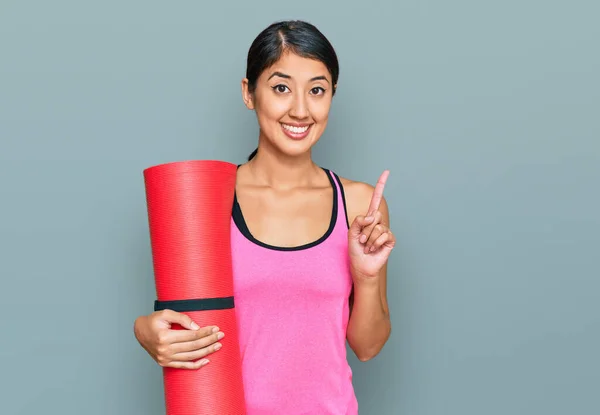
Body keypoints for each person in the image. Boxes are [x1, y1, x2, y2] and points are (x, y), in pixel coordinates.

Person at [133, 20, 395, 414]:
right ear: (249, 93)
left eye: (318, 91)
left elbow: (368, 347)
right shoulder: (208, 199)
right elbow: (182, 317)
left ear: (332, 97)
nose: (301, 110)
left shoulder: (359, 205)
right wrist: (145, 331)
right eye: (281, 88)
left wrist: (368, 277)